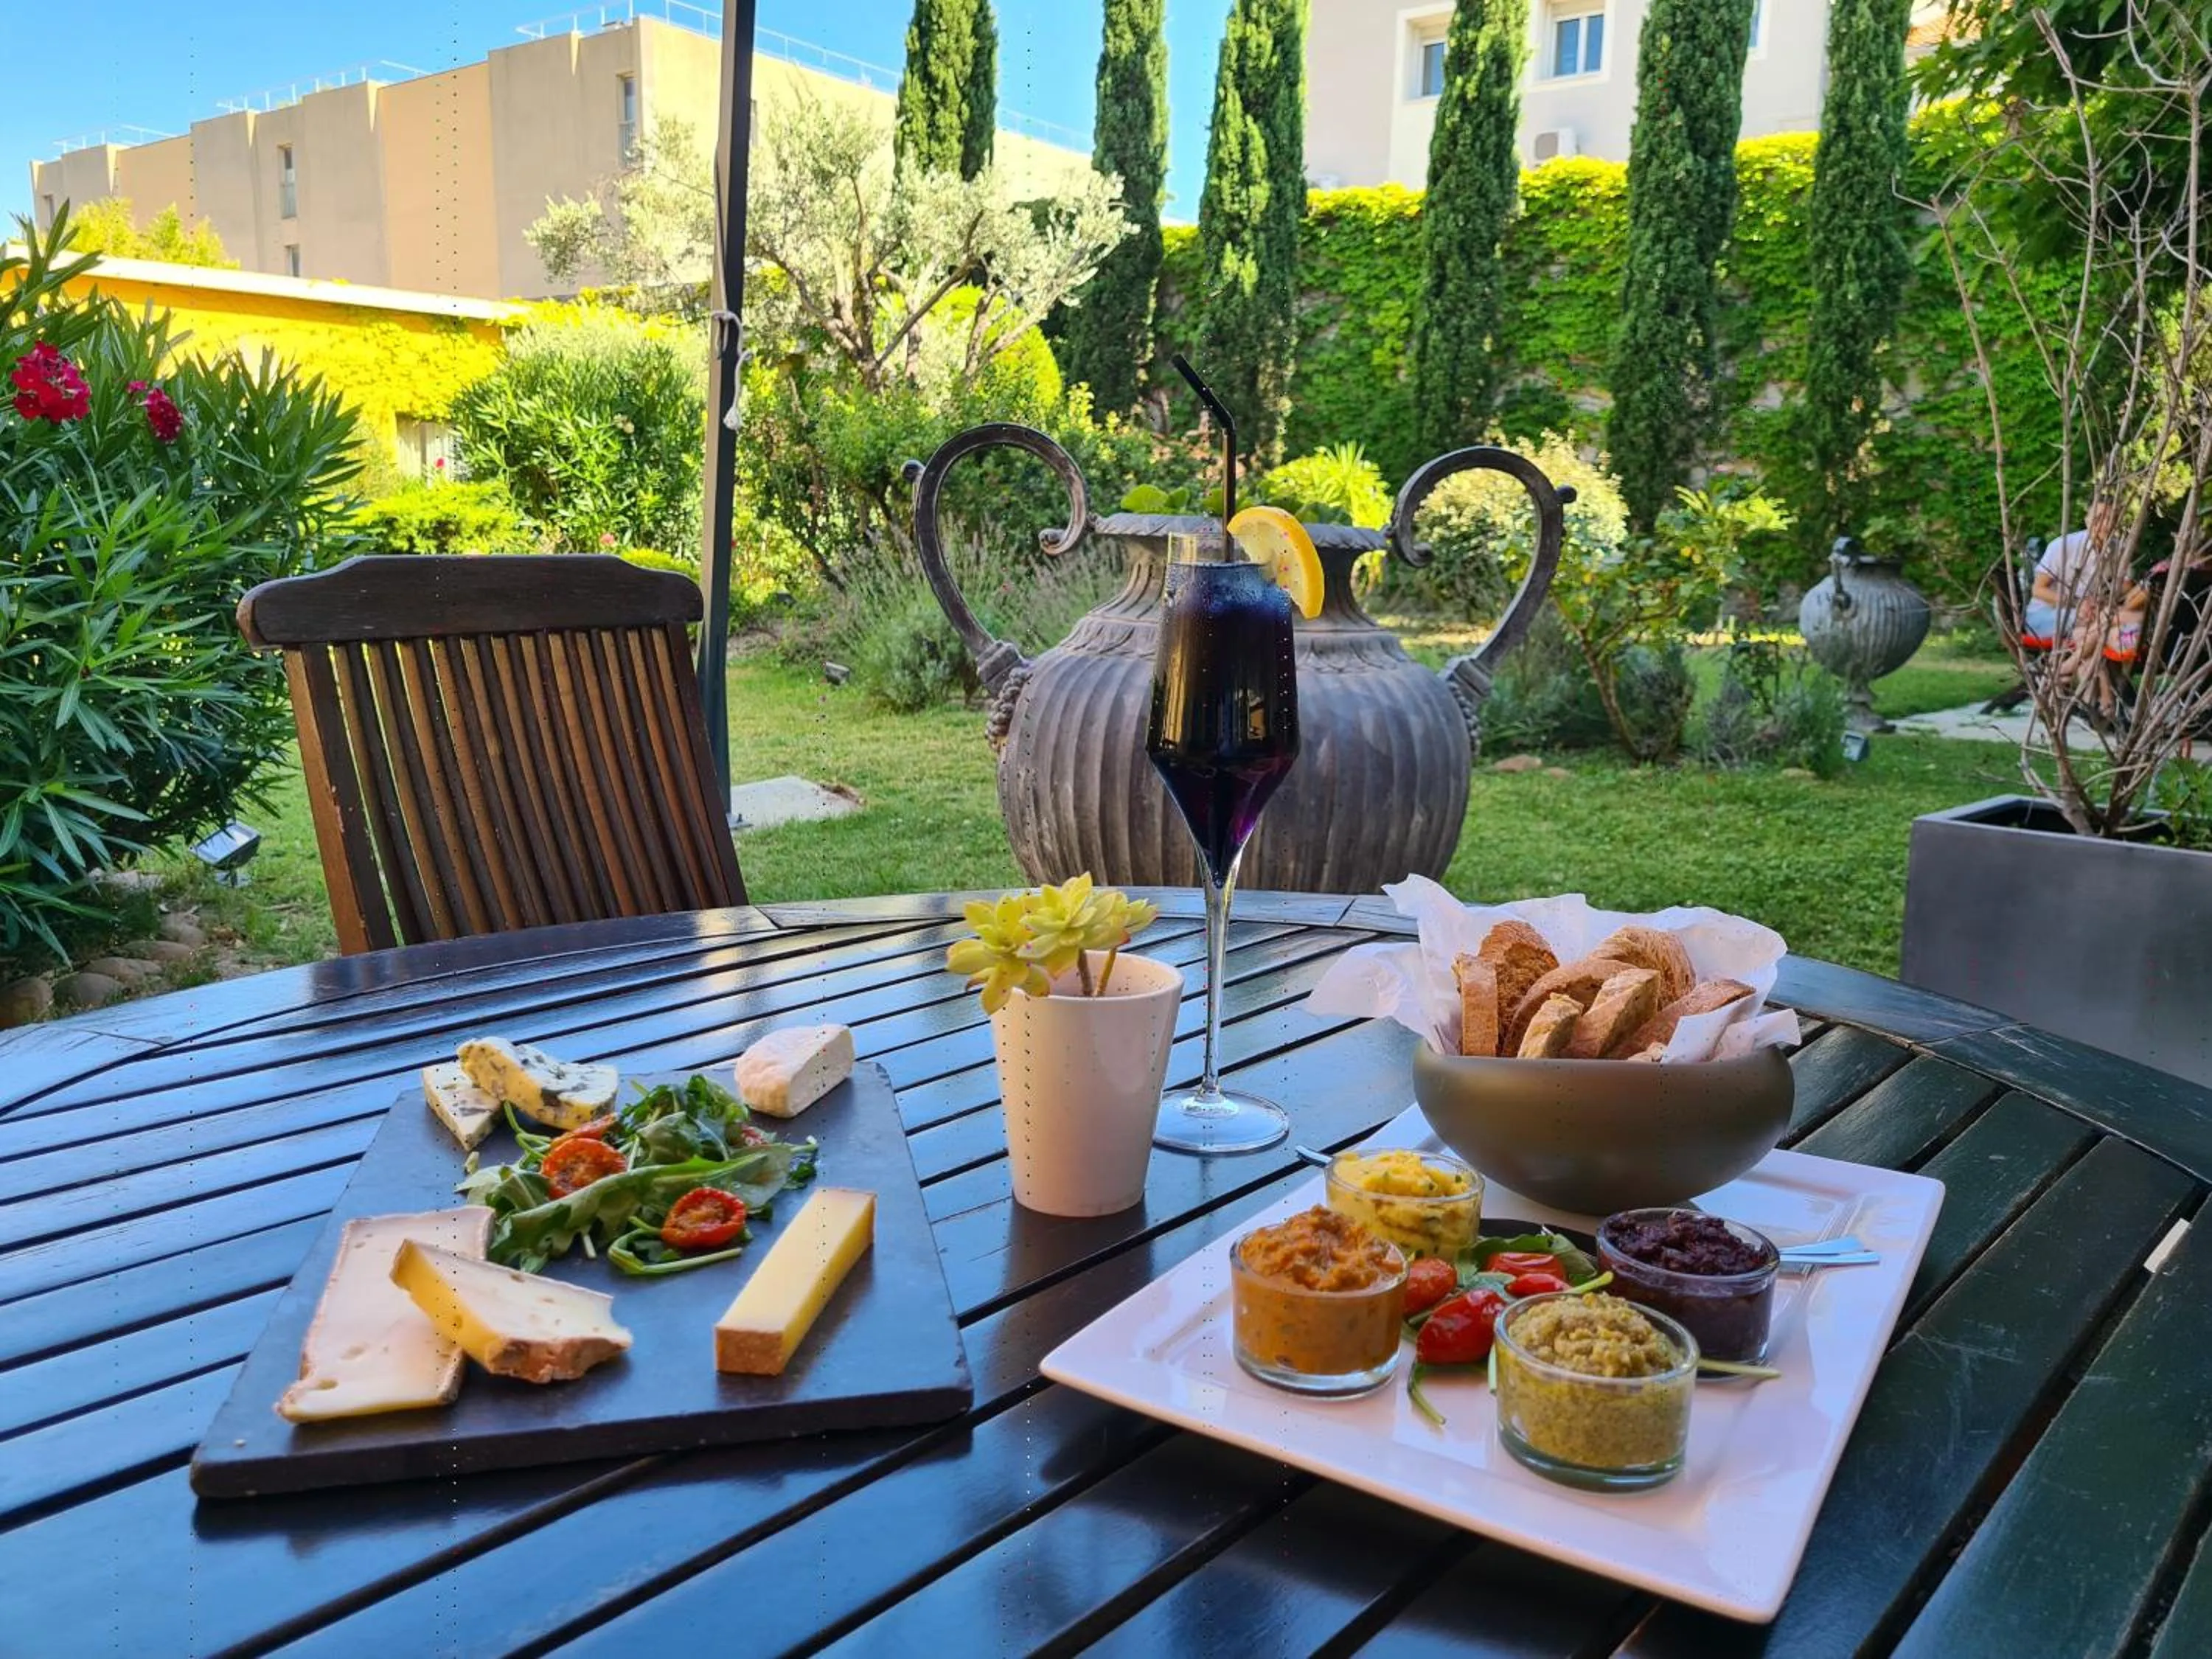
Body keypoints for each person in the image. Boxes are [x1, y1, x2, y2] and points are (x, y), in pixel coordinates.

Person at [2025, 498, 2116, 644]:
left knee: (2106, 625)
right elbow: (2037, 590)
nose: (2106, 524)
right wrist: (2077, 603)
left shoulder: (2118, 549)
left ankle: (2077, 658)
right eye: (2099, 518)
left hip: (2087, 616)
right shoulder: (2063, 546)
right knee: (2097, 623)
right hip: (2044, 615)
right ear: (2087, 519)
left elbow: (2124, 585)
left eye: (2111, 518)